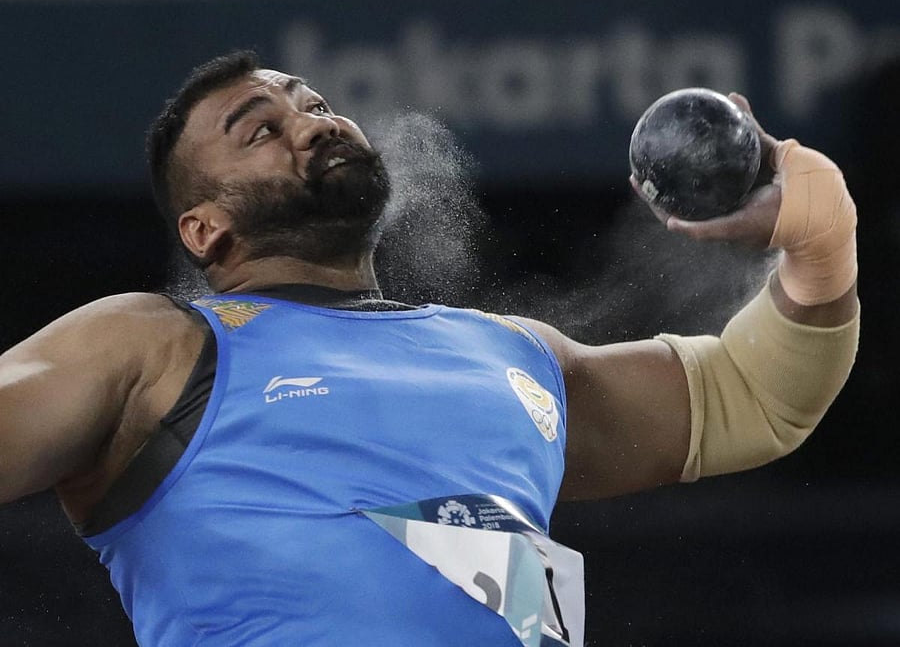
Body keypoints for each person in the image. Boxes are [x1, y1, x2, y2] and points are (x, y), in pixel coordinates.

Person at [0, 50, 859, 646]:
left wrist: (822, 245)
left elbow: (755, 401)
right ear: (204, 227)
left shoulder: (512, 354)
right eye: (259, 130)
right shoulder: (155, 345)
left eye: (313, 103)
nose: (309, 122)